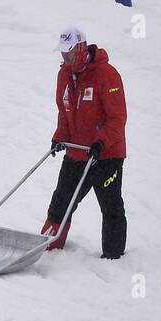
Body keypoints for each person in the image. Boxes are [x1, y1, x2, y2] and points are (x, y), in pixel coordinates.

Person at [42, 26, 127, 258]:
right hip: (77, 153)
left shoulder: (107, 75)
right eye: (61, 52)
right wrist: (60, 136)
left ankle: (113, 257)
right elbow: (65, 111)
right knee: (61, 201)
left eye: (68, 52)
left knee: (110, 207)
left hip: (107, 155)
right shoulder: (64, 75)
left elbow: (117, 119)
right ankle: (47, 249)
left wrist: (101, 142)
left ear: (80, 49)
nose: (64, 57)